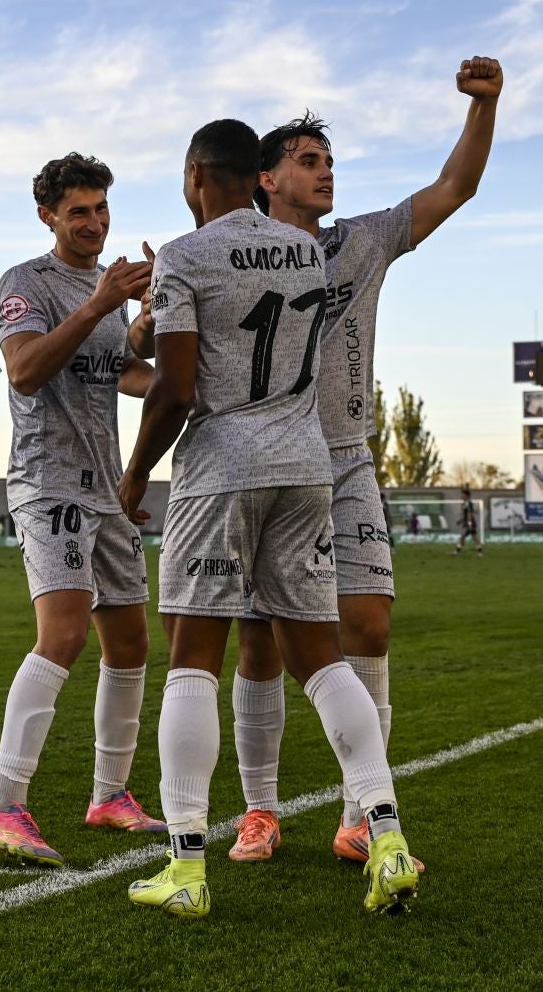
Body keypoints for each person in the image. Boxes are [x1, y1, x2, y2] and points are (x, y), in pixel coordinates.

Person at [119, 118, 418, 920]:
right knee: (322, 661)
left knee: (193, 658)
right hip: (307, 467)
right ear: (255, 173)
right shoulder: (303, 250)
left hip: (221, 470)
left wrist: (136, 470)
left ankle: (186, 862)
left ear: (195, 175)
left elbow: (175, 388)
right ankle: (385, 833)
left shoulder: (182, 255)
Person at [228, 56, 502, 866]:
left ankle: (360, 816)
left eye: (329, 160)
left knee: (370, 626)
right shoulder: (236, 252)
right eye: (308, 160)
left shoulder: (363, 240)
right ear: (268, 179)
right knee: (259, 643)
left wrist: (484, 107)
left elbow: (454, 186)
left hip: (346, 460)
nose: (326, 172)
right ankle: (259, 811)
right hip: (263, 462)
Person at [0, 153, 164, 870]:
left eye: (101, 208)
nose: (94, 222)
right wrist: (99, 304)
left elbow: (127, 374)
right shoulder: (26, 282)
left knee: (131, 643)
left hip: (107, 490)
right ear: (47, 216)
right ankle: (1, 805)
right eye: (78, 211)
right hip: (48, 484)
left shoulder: (109, 290)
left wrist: (157, 332)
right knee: (64, 634)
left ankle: (109, 794)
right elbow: (24, 369)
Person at [453, 487, 482, 557]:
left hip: (469, 523)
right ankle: (480, 553)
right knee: (474, 538)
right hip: (468, 522)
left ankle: (457, 552)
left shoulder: (468, 503)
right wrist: (461, 520)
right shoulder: (464, 503)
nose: (461, 496)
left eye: (463, 494)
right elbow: (466, 515)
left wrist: (470, 524)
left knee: (462, 537)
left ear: (467, 496)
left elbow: (470, 514)